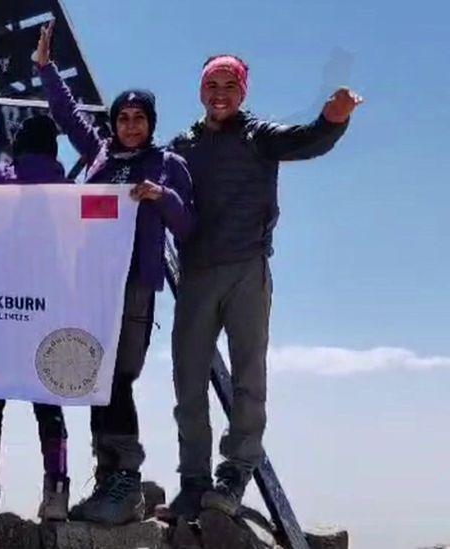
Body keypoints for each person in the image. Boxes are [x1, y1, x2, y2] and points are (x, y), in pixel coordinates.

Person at [165, 54, 362, 519]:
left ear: (243, 91)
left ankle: (234, 472)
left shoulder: (258, 135)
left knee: (248, 376)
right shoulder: (182, 146)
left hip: (247, 269)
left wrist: (332, 122)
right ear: (200, 90)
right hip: (196, 272)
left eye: (229, 84)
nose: (219, 93)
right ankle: (193, 480)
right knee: (188, 380)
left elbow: (307, 141)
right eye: (211, 83)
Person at [34, 22, 194, 524]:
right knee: (94, 376)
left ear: (150, 122)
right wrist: (45, 68)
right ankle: (106, 477)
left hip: (134, 286)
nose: (128, 125)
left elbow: (186, 223)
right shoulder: (100, 154)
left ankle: (126, 475)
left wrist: (160, 196)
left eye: (137, 118)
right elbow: (66, 114)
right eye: (122, 118)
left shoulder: (166, 162)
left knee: (120, 376)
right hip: (91, 285)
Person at [0, 115, 72, 520]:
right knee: (48, 403)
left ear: (16, 146)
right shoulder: (69, 191)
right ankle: (56, 490)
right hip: (47, 311)